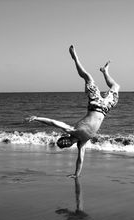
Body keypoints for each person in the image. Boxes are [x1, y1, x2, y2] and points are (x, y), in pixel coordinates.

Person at [28, 45, 120, 177]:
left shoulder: (71, 130)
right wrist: (76, 174)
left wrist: (37, 118)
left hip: (95, 104)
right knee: (116, 86)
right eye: (67, 144)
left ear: (66, 139)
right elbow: (80, 159)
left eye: (66, 141)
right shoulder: (82, 143)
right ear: (69, 145)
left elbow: (53, 122)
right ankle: (105, 71)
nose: (68, 143)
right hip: (105, 108)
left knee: (88, 77)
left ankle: (75, 58)